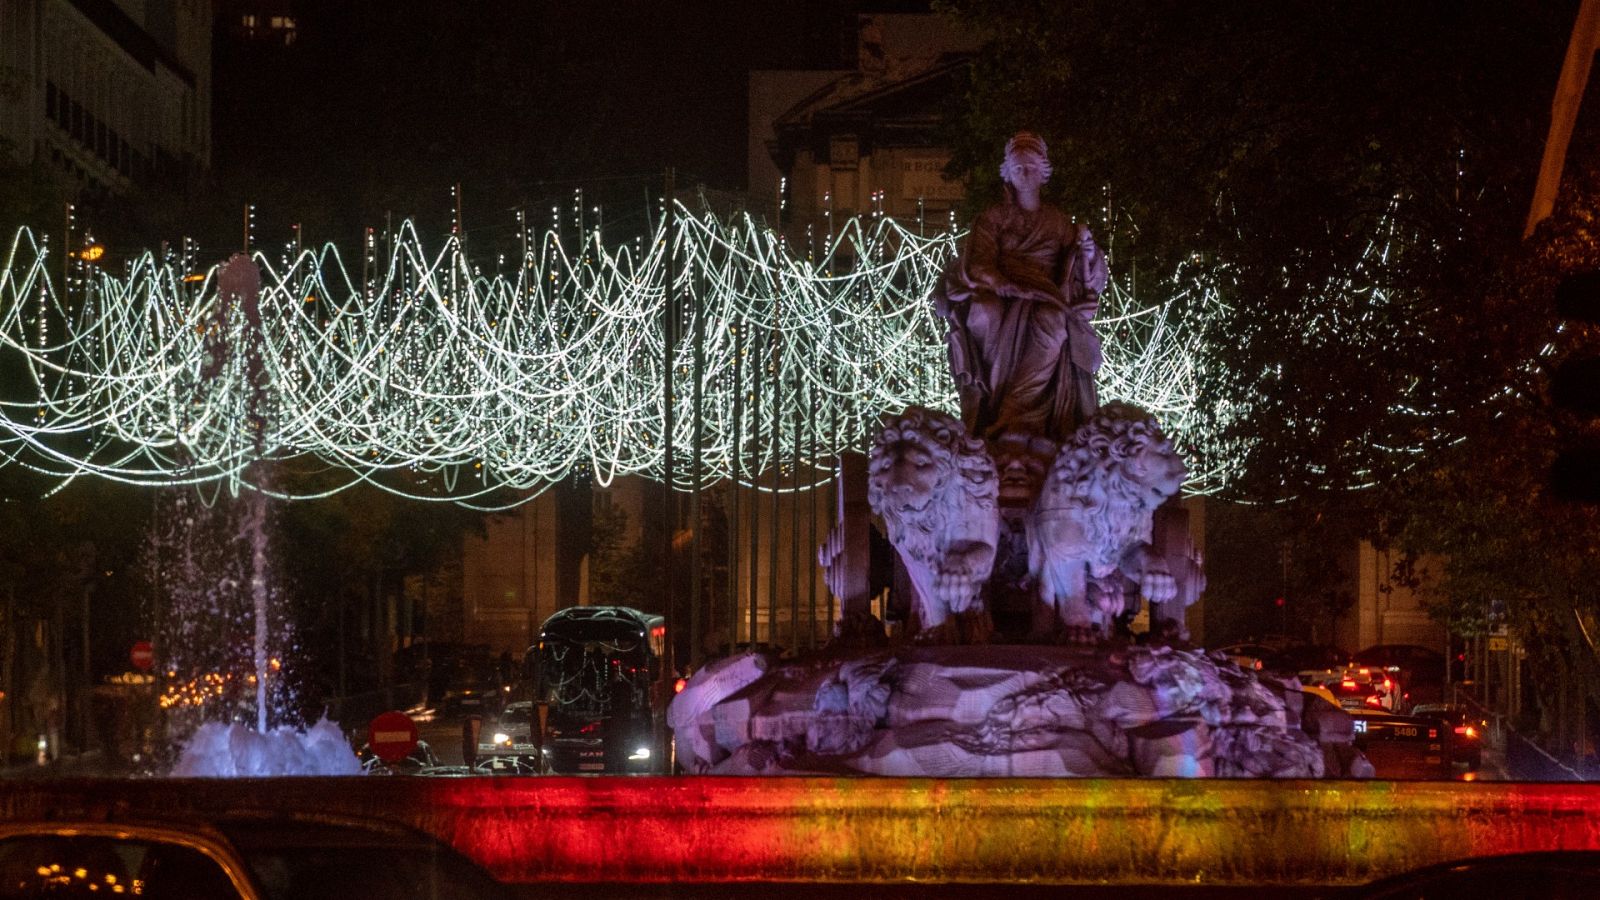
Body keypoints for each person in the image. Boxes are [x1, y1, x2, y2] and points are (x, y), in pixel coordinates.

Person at [935, 132, 1108, 442]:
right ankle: (990, 407)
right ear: (1008, 173)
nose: (1024, 174)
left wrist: (1089, 252)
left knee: (1052, 322)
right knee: (983, 313)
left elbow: (1085, 274)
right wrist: (1005, 285)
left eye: (1030, 167)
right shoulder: (994, 217)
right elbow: (979, 263)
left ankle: (1013, 415)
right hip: (1002, 292)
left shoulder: (1058, 222)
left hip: (1046, 297)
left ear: (1043, 172)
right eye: (1017, 168)